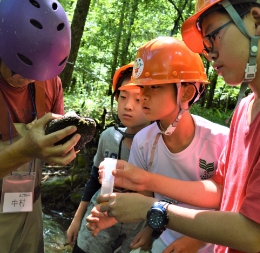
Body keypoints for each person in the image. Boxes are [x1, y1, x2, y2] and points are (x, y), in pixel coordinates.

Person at [88, 0, 260, 252]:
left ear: (256, 20)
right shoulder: (245, 108)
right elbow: (219, 188)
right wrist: (145, 182)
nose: (210, 55)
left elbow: (253, 234)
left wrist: (154, 209)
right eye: (205, 46)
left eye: (214, 38)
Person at [87, 37, 229, 253]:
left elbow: (231, 201)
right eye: (142, 87)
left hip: (216, 241)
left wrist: (197, 240)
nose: (143, 96)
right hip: (166, 235)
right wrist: (147, 227)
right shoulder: (144, 142)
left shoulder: (220, 141)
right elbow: (147, 199)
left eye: (154, 86)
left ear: (187, 92)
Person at [0, 0, 75, 253]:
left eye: (38, 73)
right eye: (19, 69)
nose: (29, 79)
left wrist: (64, 146)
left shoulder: (50, 85)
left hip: (28, 208)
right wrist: (25, 150)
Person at [67, 62, 150, 253]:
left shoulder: (159, 147)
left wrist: (150, 230)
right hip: (95, 227)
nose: (128, 106)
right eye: (122, 97)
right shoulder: (108, 137)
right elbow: (93, 182)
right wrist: (77, 220)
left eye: (138, 100)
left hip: (134, 233)